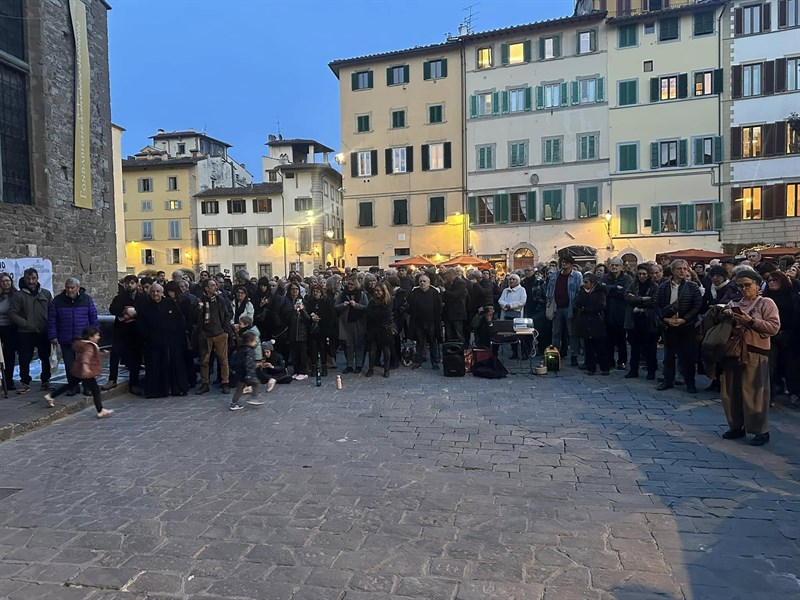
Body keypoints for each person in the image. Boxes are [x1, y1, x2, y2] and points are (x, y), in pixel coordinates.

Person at [720, 269, 780, 446]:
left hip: (755, 352)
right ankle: (736, 426)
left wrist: (750, 321)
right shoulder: (733, 302)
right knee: (731, 392)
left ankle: (760, 430)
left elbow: (773, 327)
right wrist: (724, 315)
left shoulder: (766, 303)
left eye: (748, 285)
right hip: (733, 352)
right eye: (740, 286)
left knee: (755, 393)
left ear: (757, 284)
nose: (744, 289)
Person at [654, 260, 702, 393]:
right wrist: (664, 318)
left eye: (685, 269)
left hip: (686, 326)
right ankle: (668, 380)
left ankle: (690, 383)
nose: (682, 271)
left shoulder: (692, 287)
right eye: (679, 269)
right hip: (668, 325)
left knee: (687, 356)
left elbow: (697, 305)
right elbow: (656, 303)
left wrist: (684, 319)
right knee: (669, 355)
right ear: (673, 270)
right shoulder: (663, 286)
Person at [44, 326, 112, 417]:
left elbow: (89, 355)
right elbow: (86, 358)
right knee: (95, 390)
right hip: (86, 372)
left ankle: (51, 396)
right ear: (90, 337)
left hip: (78, 370)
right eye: (97, 335)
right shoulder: (89, 346)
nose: (98, 337)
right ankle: (100, 410)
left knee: (71, 384)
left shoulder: (82, 344)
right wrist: (86, 369)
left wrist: (101, 354)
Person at [48, 277, 99, 397]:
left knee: (85, 364)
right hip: (66, 338)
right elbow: (52, 320)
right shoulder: (57, 301)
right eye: (67, 288)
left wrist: (94, 335)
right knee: (70, 365)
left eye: (72, 288)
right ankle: (73, 387)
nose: (70, 290)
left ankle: (88, 387)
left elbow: (93, 318)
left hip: (84, 339)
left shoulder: (86, 300)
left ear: (78, 288)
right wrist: (53, 336)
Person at [137, 284, 190, 398]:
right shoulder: (144, 306)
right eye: (153, 292)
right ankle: (157, 391)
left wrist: (178, 336)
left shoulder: (170, 303)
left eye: (157, 291)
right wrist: (148, 337)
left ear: (162, 292)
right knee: (155, 367)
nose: (155, 294)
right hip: (153, 343)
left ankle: (177, 388)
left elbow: (180, 319)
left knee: (174, 366)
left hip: (172, 342)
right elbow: (141, 325)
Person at [9, 268, 53, 394]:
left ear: (38, 278)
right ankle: (25, 382)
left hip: (43, 331)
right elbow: (12, 313)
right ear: (24, 279)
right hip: (25, 332)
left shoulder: (46, 294)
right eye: (28, 279)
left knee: (45, 357)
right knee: (25, 358)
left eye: (33, 278)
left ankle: (45, 381)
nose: (31, 281)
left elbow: (52, 311)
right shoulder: (18, 296)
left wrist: (50, 327)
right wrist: (24, 323)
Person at [762, 270, 800, 401]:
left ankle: (793, 391)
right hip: (771, 335)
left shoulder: (793, 296)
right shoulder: (765, 297)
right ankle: (770, 394)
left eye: (775, 280)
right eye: (770, 281)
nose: (772, 283)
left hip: (790, 335)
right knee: (770, 365)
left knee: (791, 365)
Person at [105, 275, 144, 394]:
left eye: (132, 283)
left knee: (135, 358)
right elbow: (112, 309)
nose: (129, 285)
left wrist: (136, 313)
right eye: (127, 283)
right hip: (121, 332)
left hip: (136, 332)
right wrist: (125, 311)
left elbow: (146, 311)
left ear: (137, 284)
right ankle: (112, 379)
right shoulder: (119, 297)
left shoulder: (143, 298)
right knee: (115, 354)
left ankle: (134, 384)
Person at [194, 278, 233, 394]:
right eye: (212, 285)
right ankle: (205, 383)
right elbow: (193, 317)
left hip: (220, 334)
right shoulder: (200, 300)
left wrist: (225, 330)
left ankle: (225, 382)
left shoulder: (220, 300)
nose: (215, 287)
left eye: (215, 285)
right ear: (206, 288)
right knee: (204, 361)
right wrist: (198, 309)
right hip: (205, 335)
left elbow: (227, 314)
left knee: (223, 360)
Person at [546, 256, 583, 366]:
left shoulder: (576, 276)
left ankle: (574, 356)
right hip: (557, 307)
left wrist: (576, 305)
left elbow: (579, 291)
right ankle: (555, 356)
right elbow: (549, 289)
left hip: (570, 307)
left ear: (572, 264)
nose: (564, 264)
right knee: (555, 332)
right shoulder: (555, 275)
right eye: (562, 262)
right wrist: (549, 302)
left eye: (566, 262)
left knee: (572, 333)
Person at [624, 264, 659, 380]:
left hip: (649, 320)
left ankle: (651, 371)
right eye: (639, 274)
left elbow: (654, 301)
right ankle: (633, 370)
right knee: (634, 348)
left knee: (650, 348)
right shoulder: (634, 284)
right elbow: (627, 297)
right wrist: (642, 299)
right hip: (634, 320)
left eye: (644, 274)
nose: (641, 276)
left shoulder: (654, 286)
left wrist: (640, 305)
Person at [574, 272, 610, 375]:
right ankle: (591, 367)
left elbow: (600, 305)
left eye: (586, 282)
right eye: (584, 282)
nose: (584, 284)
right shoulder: (582, 291)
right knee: (588, 347)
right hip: (585, 321)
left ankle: (604, 367)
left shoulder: (600, 291)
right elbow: (578, 303)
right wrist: (585, 306)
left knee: (600, 346)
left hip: (597, 321)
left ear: (592, 283)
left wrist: (587, 308)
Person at [602, 258, 633, 370]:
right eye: (612, 265)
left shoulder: (627, 278)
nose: (614, 267)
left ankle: (622, 361)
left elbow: (626, 292)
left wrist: (611, 291)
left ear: (621, 266)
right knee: (608, 340)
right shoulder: (605, 277)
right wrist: (615, 288)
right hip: (608, 312)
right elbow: (602, 289)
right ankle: (609, 361)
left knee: (621, 341)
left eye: (616, 265)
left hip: (621, 313)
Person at [335, 276, 368, 373]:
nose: (349, 286)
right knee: (348, 345)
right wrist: (343, 305)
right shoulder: (342, 295)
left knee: (359, 344)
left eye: (352, 284)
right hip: (346, 323)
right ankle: (349, 364)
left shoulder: (361, 294)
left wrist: (356, 305)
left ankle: (358, 365)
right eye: (348, 284)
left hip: (359, 323)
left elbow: (366, 307)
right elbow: (336, 307)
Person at [408, 275, 442, 370]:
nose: (422, 283)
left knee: (432, 342)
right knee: (420, 343)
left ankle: (435, 362)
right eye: (420, 281)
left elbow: (439, 307)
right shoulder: (415, 292)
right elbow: (410, 304)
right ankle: (418, 361)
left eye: (424, 281)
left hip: (431, 322)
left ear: (429, 283)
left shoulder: (434, 292)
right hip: (419, 322)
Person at [304, 283, 335, 376]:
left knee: (323, 348)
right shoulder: (309, 302)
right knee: (313, 348)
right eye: (313, 291)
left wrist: (320, 318)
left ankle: (324, 367)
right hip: (312, 329)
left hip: (323, 329)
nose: (315, 293)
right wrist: (311, 317)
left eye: (317, 291)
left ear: (321, 292)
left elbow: (331, 315)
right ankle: (314, 367)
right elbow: (307, 313)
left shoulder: (326, 301)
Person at [227, 330, 263, 411]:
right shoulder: (249, 351)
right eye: (254, 341)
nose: (256, 342)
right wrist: (251, 374)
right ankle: (253, 397)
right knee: (256, 383)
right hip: (247, 374)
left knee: (239, 389)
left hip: (239, 373)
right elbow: (248, 363)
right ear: (250, 341)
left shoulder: (240, 349)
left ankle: (233, 403)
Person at [498, 273, 527, 359]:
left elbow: (522, 302)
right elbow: (500, 300)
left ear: (518, 281)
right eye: (510, 279)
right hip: (507, 314)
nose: (511, 281)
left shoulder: (522, 290)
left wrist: (511, 305)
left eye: (514, 279)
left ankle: (524, 352)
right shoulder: (505, 290)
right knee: (510, 335)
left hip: (517, 314)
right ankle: (514, 352)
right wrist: (506, 305)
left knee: (520, 334)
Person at [286, 282, 311, 380]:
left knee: (302, 353)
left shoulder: (303, 301)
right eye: (292, 289)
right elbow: (286, 317)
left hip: (302, 331)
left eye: (296, 289)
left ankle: (303, 371)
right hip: (292, 331)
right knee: (294, 353)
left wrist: (302, 309)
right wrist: (293, 310)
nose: (294, 291)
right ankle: (296, 371)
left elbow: (308, 318)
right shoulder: (287, 301)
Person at [0, 273, 18, 391]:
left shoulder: (16, 295)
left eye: (8, 280)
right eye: (3, 281)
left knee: (9, 355)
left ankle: (8, 380)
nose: (6, 283)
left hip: (11, 328)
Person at [442, 268, 468, 342]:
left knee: (458, 333)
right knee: (449, 334)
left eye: (446, 274)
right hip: (448, 313)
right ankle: (450, 351)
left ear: (450, 274)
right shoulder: (447, 283)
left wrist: (444, 291)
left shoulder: (460, 282)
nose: (445, 276)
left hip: (457, 313)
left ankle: (461, 351)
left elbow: (456, 295)